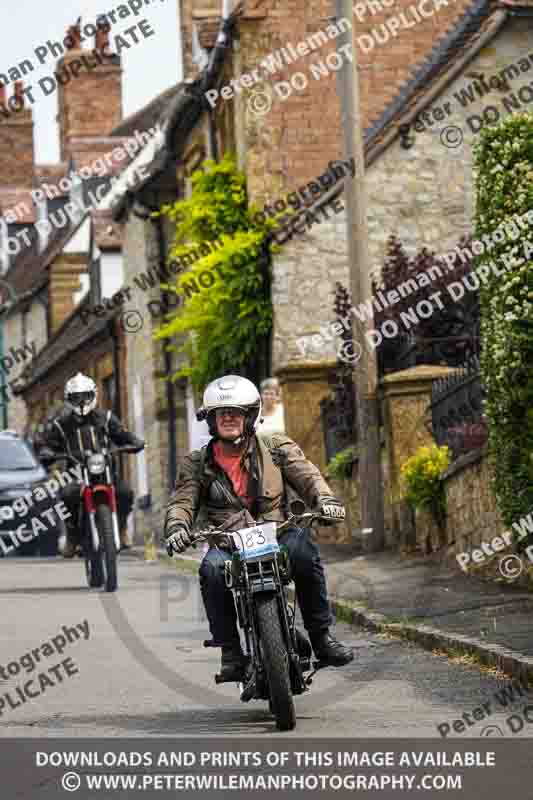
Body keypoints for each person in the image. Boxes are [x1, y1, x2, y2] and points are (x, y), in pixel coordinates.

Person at [164, 374, 353, 680]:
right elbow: (182, 502)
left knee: (304, 552)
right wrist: (176, 528)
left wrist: (325, 500)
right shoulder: (196, 463)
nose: (228, 417)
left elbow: (308, 476)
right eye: (221, 413)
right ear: (210, 420)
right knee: (211, 571)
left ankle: (321, 638)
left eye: (236, 411)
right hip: (229, 544)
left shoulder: (276, 446)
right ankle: (230, 652)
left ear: (250, 415)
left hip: (278, 533)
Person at [34, 372, 144, 557]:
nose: (82, 401)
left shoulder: (106, 418)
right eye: (76, 397)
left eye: (85, 396)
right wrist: (46, 452)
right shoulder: (62, 424)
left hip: (105, 471)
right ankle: (72, 534)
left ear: (93, 395)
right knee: (67, 494)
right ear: (69, 399)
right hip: (76, 475)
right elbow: (47, 443)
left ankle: (122, 527)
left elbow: (122, 434)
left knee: (125, 492)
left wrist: (134, 441)